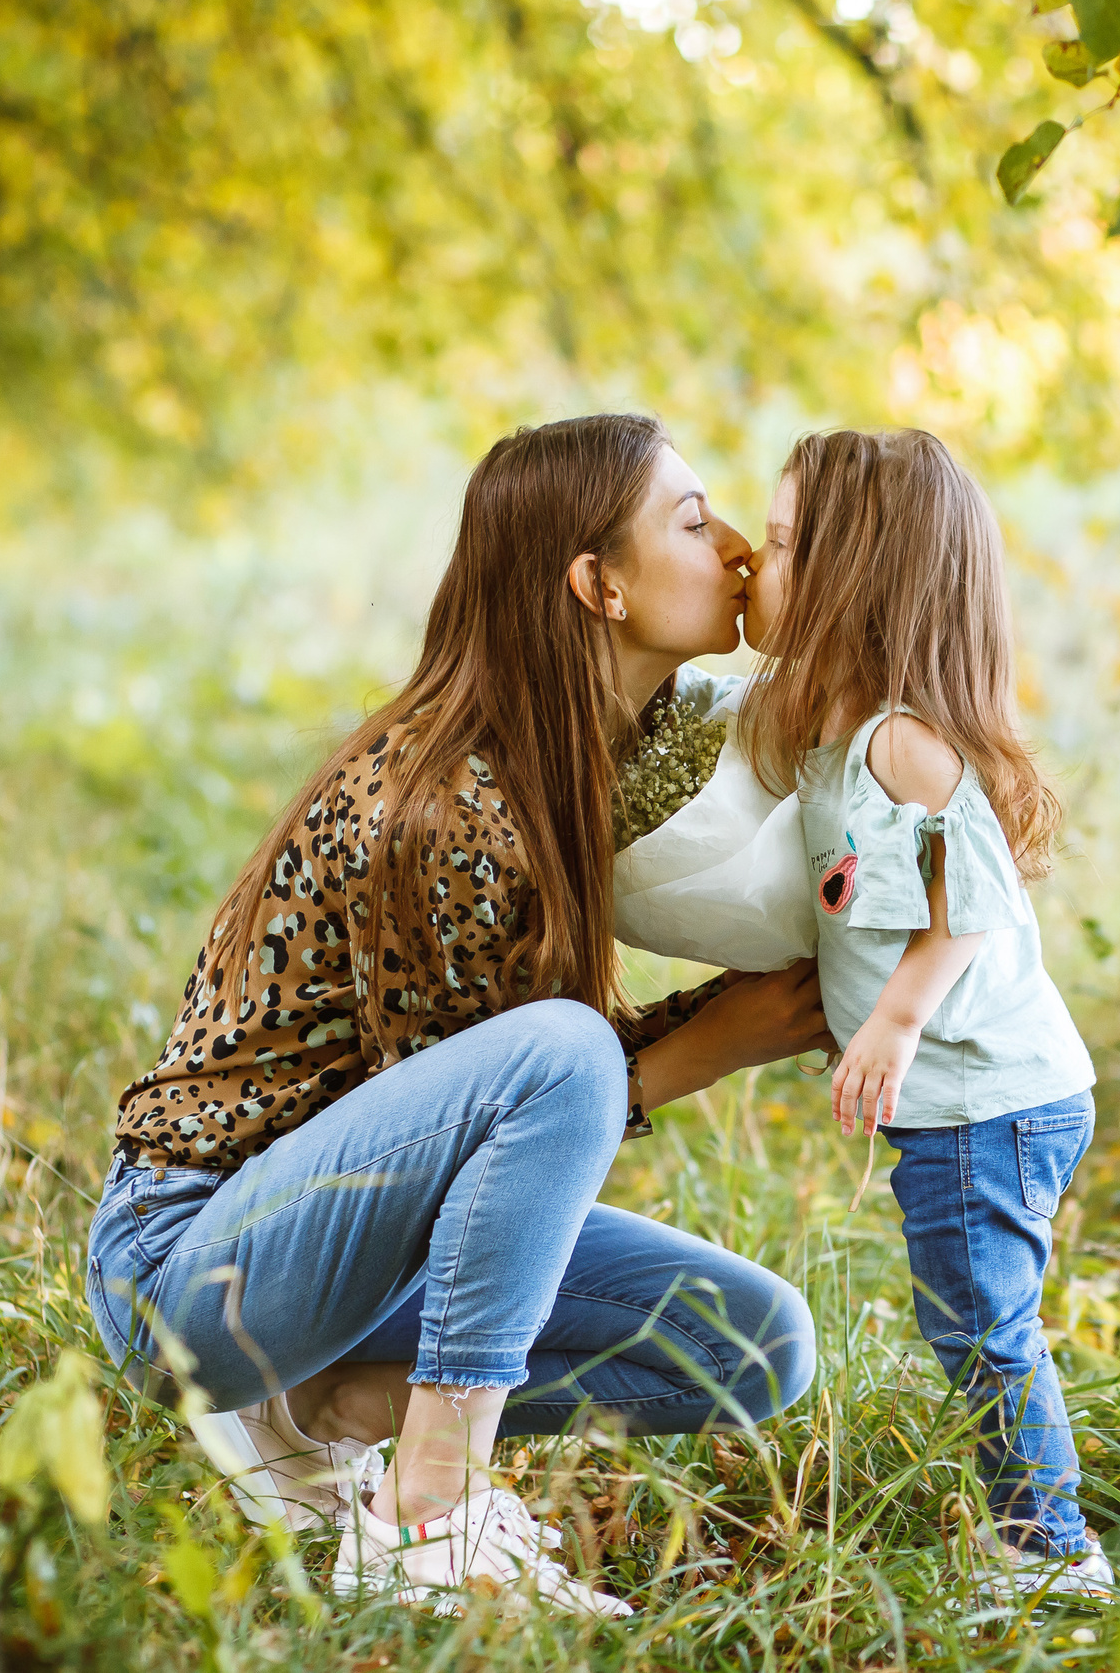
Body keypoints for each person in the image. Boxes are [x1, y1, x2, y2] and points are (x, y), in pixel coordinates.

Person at [85, 414, 832, 1619]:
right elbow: (509, 1101)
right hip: (193, 1270)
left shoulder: (608, 754)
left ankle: (319, 1414)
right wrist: (699, 1051)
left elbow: (499, 1098)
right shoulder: (443, 804)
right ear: (596, 584)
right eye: (694, 522)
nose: (740, 548)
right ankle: (431, 1514)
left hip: (344, 1257)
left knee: (757, 1343)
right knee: (568, 1051)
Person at [735, 428, 1111, 1601]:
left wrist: (891, 1021)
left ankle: (1051, 1557)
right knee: (978, 1322)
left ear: (857, 578)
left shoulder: (899, 743)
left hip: (977, 1096)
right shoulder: (844, 738)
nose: (755, 557)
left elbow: (973, 905)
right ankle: (1033, 1534)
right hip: (976, 1101)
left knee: (982, 1331)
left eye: (786, 543)